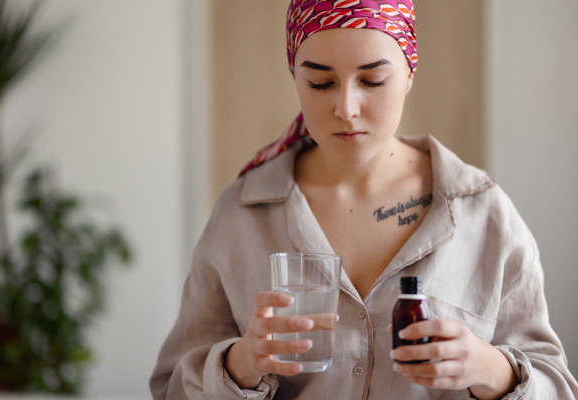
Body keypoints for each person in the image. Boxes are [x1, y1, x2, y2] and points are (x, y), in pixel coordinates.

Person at [149, 1, 578, 399]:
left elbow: (557, 385)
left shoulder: (483, 212)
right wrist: (238, 365)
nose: (346, 108)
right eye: (320, 82)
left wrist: (492, 370)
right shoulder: (240, 213)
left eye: (372, 80)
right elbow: (170, 388)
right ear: (294, 75)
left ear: (410, 71)